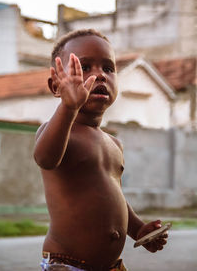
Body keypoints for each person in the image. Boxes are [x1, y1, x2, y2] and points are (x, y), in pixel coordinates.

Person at [34, 29, 168, 271]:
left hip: (112, 266)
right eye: (84, 67)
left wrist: (138, 229)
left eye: (108, 68)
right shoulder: (60, 131)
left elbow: (112, 195)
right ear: (56, 85)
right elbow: (45, 158)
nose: (99, 75)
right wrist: (67, 107)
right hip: (67, 264)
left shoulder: (114, 143)